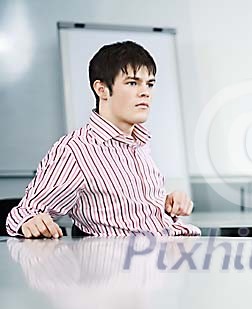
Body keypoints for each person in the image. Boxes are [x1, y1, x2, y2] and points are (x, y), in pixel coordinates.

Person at [6, 41, 201, 238]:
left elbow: (131, 211)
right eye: (132, 83)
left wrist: (168, 203)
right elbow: (25, 213)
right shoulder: (76, 150)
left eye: (149, 84)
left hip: (173, 251)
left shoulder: (138, 144)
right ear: (102, 90)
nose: (145, 92)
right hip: (134, 261)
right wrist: (28, 222)